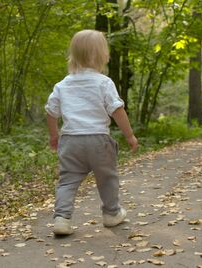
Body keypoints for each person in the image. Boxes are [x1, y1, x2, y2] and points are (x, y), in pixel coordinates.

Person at [45, 29, 138, 235]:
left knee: (68, 180)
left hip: (70, 142)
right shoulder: (104, 82)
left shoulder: (62, 85)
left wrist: (54, 136)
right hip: (98, 141)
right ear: (102, 56)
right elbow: (117, 110)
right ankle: (112, 214)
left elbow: (51, 112)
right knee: (107, 178)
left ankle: (62, 218)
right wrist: (129, 135)